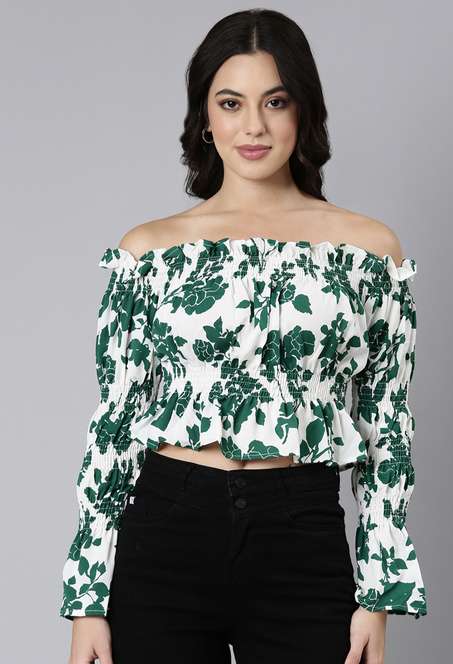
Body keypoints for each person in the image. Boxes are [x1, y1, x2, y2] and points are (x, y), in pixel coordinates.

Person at [61, 8, 427, 664]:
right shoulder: (148, 251)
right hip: (164, 535)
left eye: (275, 102)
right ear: (205, 117)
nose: (253, 126)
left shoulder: (369, 251)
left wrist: (378, 593)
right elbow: (113, 425)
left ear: (303, 112)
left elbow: (386, 428)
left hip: (301, 534)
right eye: (231, 103)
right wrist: (87, 599)